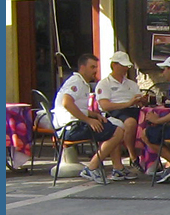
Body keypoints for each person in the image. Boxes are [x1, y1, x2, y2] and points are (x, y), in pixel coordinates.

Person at [52, 53, 128, 183]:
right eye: (92, 67)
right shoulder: (76, 82)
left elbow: (77, 107)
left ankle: (118, 168)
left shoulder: (83, 83)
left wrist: (94, 115)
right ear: (82, 67)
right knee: (117, 131)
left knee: (115, 126)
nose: (95, 70)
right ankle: (92, 167)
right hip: (70, 128)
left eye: (96, 67)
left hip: (74, 124)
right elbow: (67, 103)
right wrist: (89, 120)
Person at [94, 51, 146, 176]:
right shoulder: (104, 83)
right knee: (129, 123)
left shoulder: (131, 84)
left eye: (126, 66)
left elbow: (139, 101)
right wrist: (128, 103)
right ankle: (132, 155)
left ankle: (149, 159)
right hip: (114, 111)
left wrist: (141, 100)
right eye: (123, 65)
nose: (125, 68)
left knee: (150, 120)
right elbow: (105, 105)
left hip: (132, 108)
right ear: (114, 65)